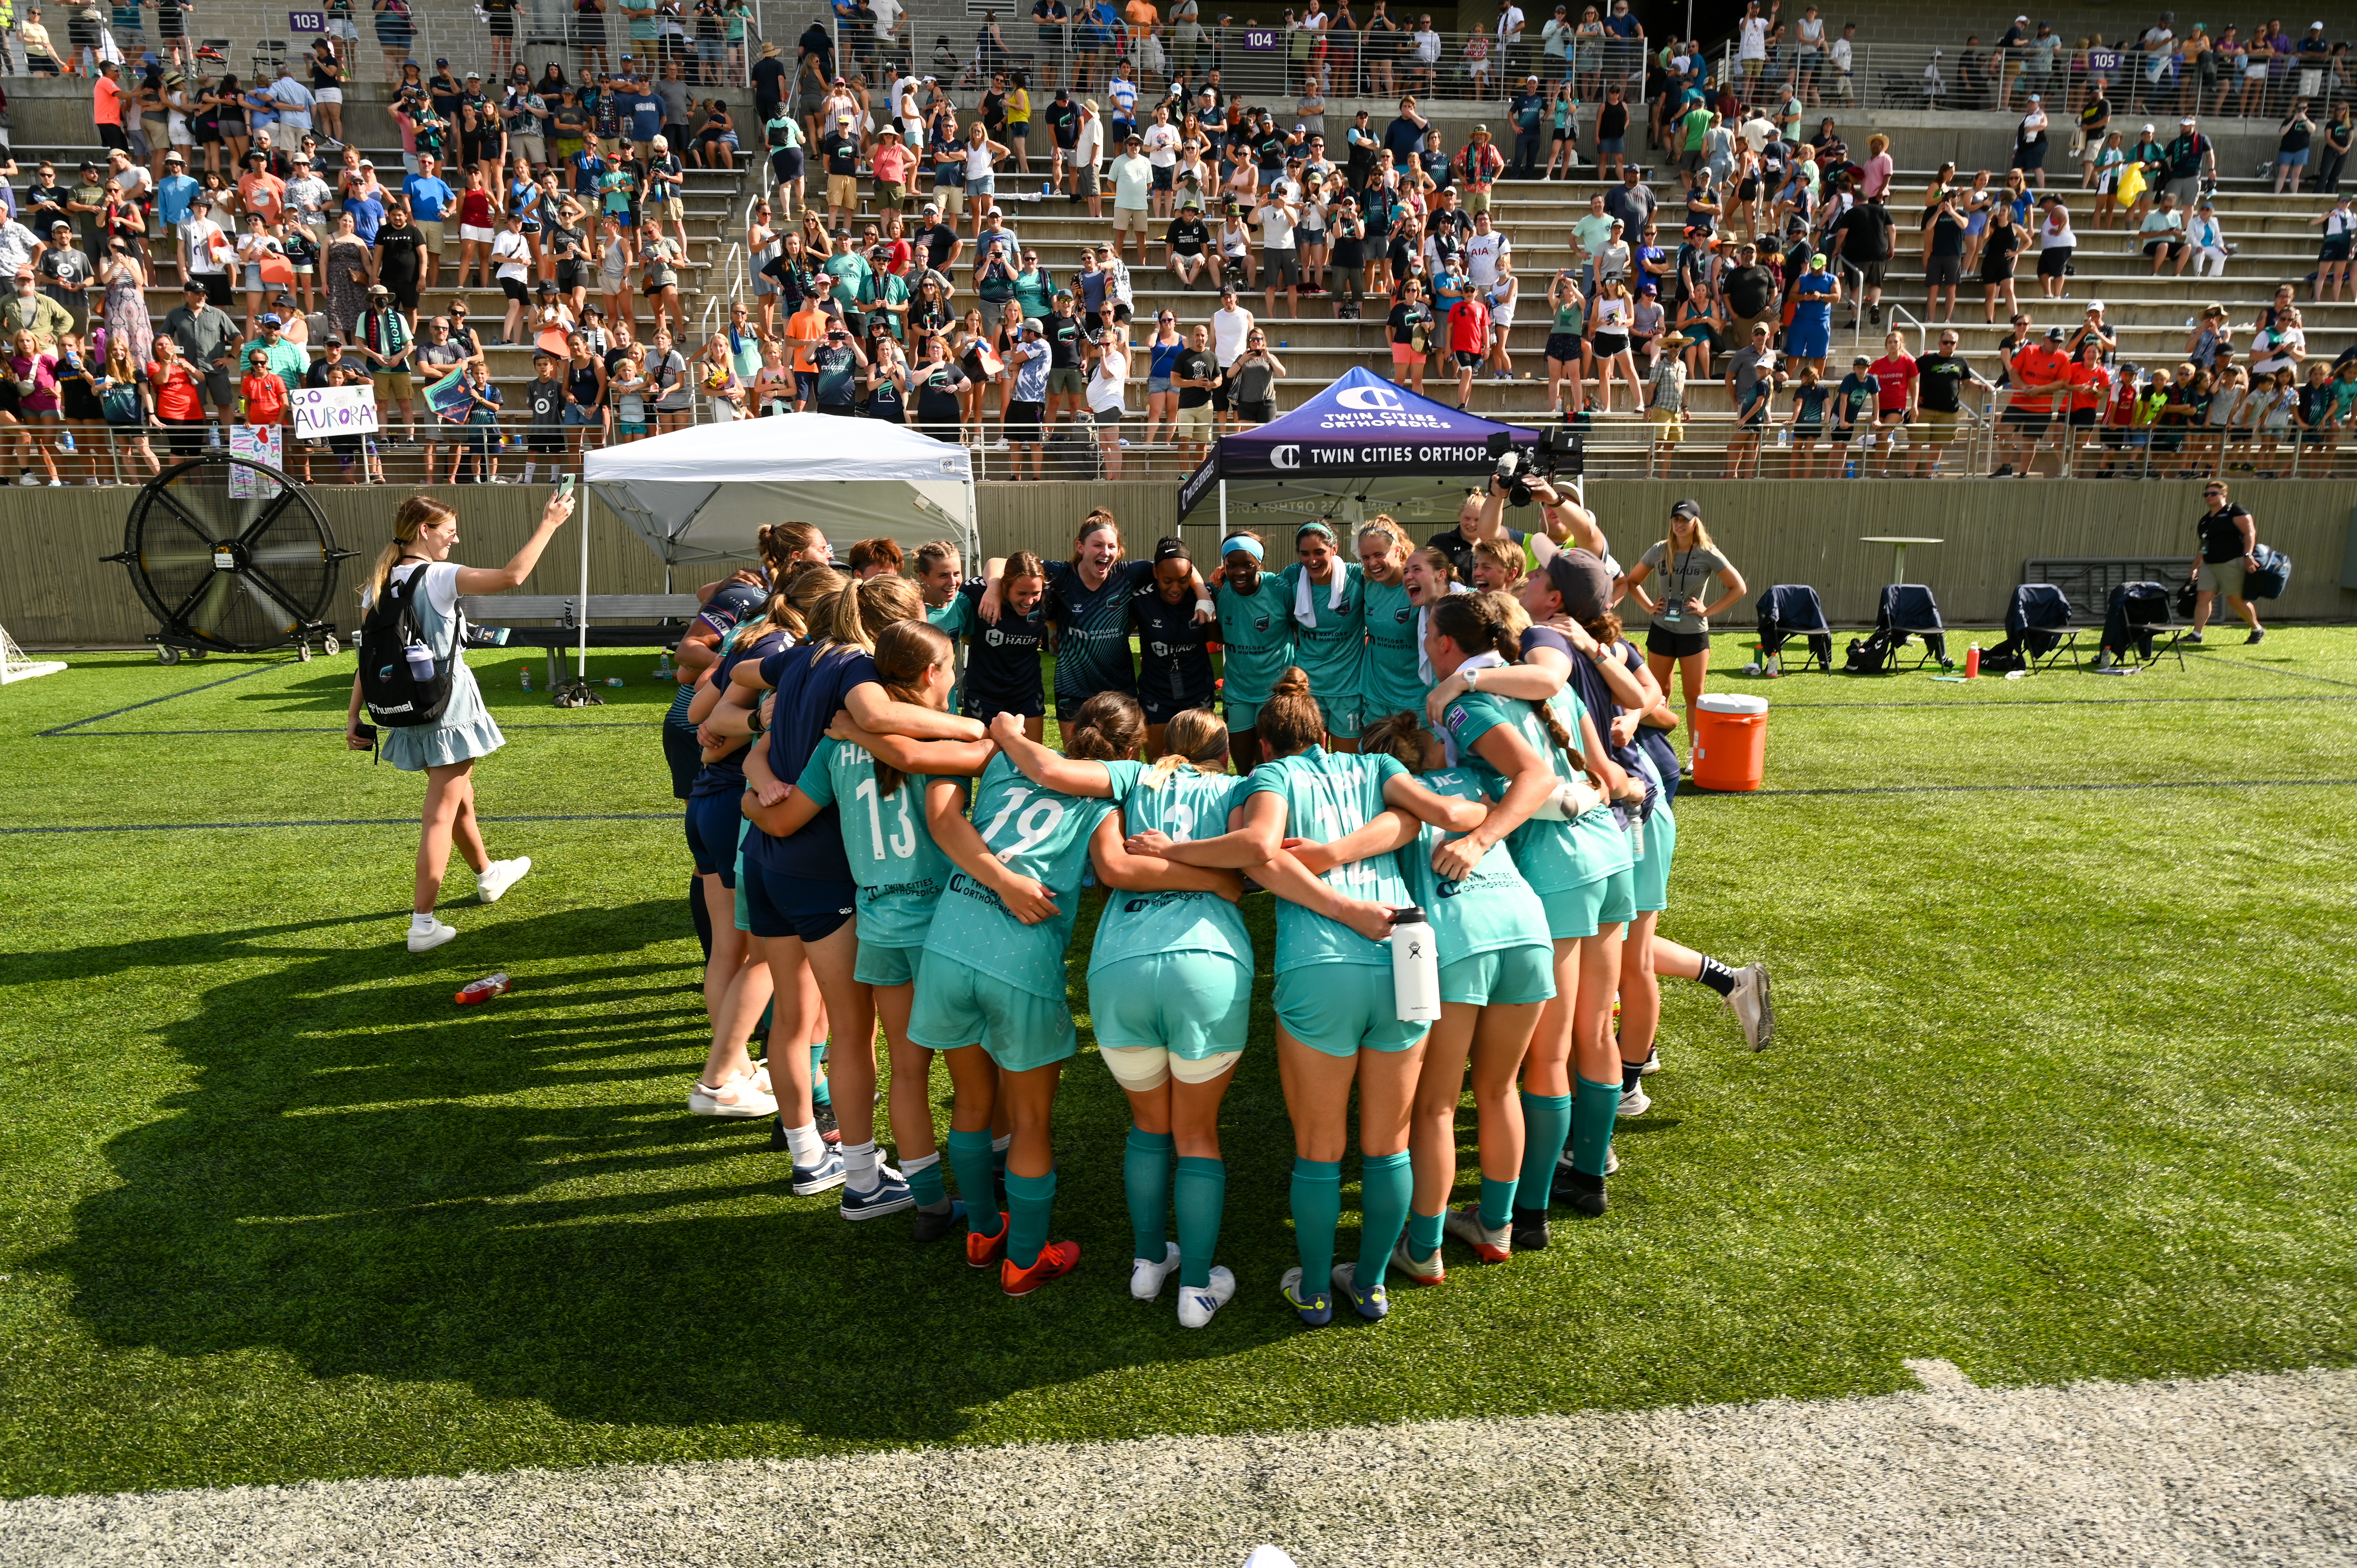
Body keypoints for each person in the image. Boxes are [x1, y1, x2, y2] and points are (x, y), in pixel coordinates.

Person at [1124, 666, 1484, 1324]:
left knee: (1319, 1147)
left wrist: (1177, 845)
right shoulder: (1375, 766)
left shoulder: (1268, 778)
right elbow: (1438, 816)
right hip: (1406, 946)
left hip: (1324, 959)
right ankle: (1370, 1282)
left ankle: (1315, 1287)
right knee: (1389, 1142)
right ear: (1325, 733)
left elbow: (1257, 849)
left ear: (1261, 746)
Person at [346, 492, 574, 953]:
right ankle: (423, 924)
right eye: (449, 531)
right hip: (446, 705)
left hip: (408, 707)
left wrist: (354, 714)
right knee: (440, 814)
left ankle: (489, 875)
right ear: (423, 532)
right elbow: (513, 576)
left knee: (459, 800)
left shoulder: (384, 580)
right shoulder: (440, 576)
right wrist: (550, 523)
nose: (456, 538)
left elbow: (370, 658)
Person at [1622, 498, 1746, 735]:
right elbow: (1632, 581)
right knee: (1658, 692)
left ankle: (1694, 753)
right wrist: (1649, 607)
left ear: (1695, 522)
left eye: (1685, 520)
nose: (1680, 524)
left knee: (1694, 697)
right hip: (1662, 630)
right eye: (1676, 519)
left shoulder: (1707, 553)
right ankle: (1658, 749)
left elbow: (1738, 588)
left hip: (1693, 634)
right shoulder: (1660, 549)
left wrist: (1707, 611)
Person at [2188, 479, 2263, 644]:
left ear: (2224, 495)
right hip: (2210, 564)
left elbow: (2250, 533)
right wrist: (2195, 568)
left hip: (2231, 562)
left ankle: (2257, 629)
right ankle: (2197, 634)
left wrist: (2248, 555)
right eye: (2206, 494)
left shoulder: (2234, 511)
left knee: (2235, 600)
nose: (2209, 497)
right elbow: (2204, 547)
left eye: (2214, 494)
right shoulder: (2206, 520)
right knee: (2203, 598)